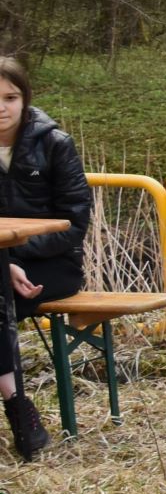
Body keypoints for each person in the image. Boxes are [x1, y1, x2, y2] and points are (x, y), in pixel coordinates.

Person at [0, 55, 89, 462]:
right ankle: (19, 406)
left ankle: (20, 412)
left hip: (53, 264)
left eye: (10, 97)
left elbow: (73, 224)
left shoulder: (55, 144)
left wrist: (13, 258)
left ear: (24, 99)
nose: (2, 107)